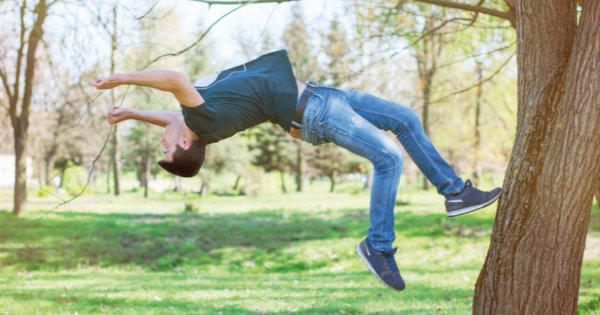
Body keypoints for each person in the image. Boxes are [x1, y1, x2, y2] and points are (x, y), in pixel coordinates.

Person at [92, 49, 501, 291]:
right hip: (317, 111)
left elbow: (171, 118)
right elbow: (173, 78)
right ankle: (379, 246)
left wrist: (131, 113)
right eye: (166, 145)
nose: (163, 136)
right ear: (185, 142)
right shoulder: (201, 121)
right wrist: (124, 78)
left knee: (405, 118)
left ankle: (454, 191)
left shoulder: (203, 124)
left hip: (324, 96)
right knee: (388, 159)